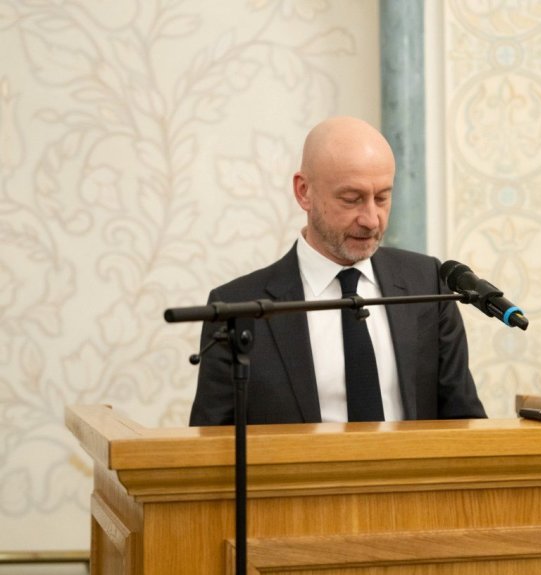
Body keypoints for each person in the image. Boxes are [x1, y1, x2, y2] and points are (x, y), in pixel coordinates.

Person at [189, 116, 486, 425]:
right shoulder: (237, 307)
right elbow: (211, 441)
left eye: (382, 198)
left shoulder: (427, 283)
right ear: (304, 192)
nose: (371, 219)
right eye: (351, 199)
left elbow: (464, 420)